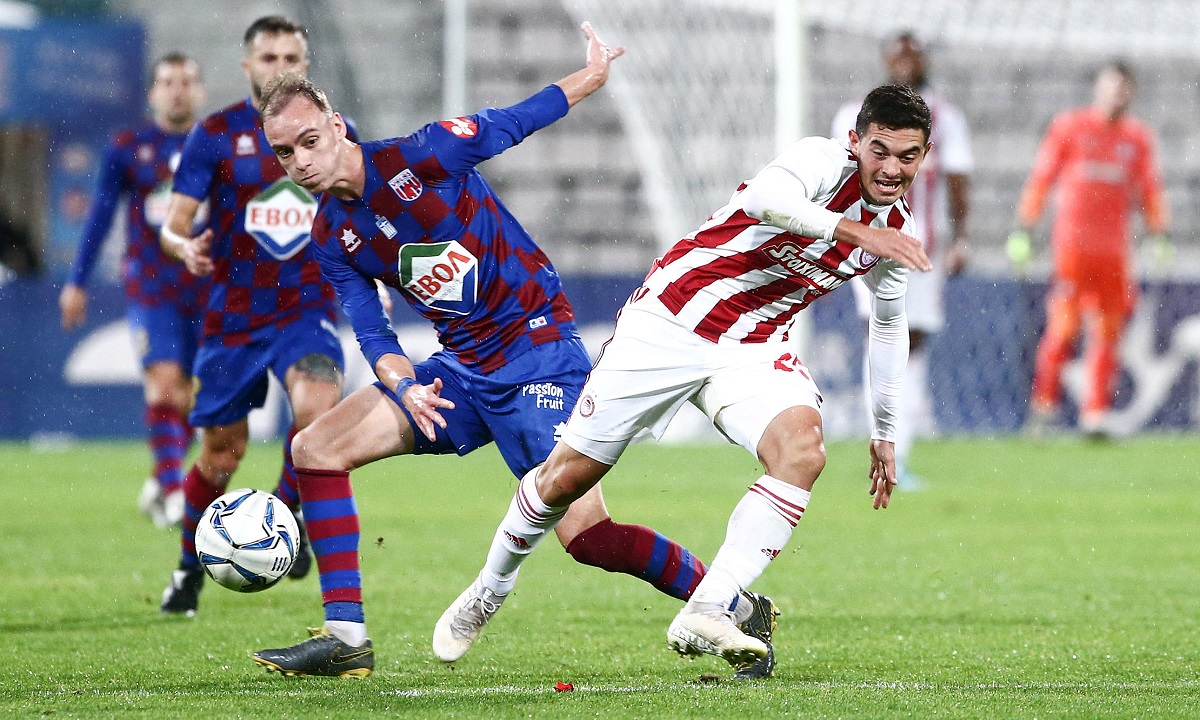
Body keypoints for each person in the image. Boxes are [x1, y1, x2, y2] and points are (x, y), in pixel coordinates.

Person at [248, 23, 777, 680]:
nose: (300, 161)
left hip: (539, 355)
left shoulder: (424, 155)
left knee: (590, 539)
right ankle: (345, 636)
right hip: (461, 372)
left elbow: (515, 120)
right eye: (284, 153)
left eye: (309, 141)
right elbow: (374, 333)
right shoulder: (332, 234)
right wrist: (406, 385)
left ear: (335, 126)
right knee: (314, 449)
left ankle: (736, 604)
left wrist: (593, 76)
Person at [435, 83, 934, 671]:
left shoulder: (896, 231)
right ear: (856, 141)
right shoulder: (822, 160)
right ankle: (489, 590)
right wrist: (854, 231)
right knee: (564, 480)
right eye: (880, 151)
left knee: (802, 451)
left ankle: (710, 607)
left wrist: (884, 430)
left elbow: (888, 325)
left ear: (924, 155)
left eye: (908, 156)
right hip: (670, 321)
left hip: (751, 347)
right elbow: (766, 199)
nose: (892, 169)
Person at [157, 15, 349, 615]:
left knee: (318, 407)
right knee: (222, 454)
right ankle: (188, 567)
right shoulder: (216, 134)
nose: (280, 68)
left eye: (292, 58)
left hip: (306, 307)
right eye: (269, 58)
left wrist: (377, 272)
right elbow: (173, 224)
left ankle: (282, 516)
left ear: (306, 66)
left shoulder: (333, 132)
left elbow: (362, 212)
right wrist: (183, 245)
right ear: (247, 66)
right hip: (234, 316)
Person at [59, 52, 207, 529]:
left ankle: (162, 477)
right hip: (151, 287)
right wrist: (77, 282)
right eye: (168, 82)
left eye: (186, 81)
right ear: (152, 92)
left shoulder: (217, 145)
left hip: (208, 289)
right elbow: (100, 215)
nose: (178, 90)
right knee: (164, 385)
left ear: (200, 91)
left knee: (195, 399)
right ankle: (174, 493)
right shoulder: (130, 147)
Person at [831, 31, 973, 484]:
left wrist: (961, 238)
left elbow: (957, 181)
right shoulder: (855, 115)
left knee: (912, 342)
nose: (906, 63)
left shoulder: (946, 117)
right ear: (886, 61)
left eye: (913, 56)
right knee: (884, 335)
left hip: (921, 248)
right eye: (898, 56)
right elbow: (838, 177)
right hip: (870, 243)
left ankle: (897, 449)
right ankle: (887, 446)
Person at [1007, 61, 1170, 437]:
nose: (1117, 95)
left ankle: (1094, 412)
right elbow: (1042, 178)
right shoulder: (1070, 127)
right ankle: (1043, 409)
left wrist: (1159, 233)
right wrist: (1025, 227)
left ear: (1131, 93)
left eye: (1123, 88)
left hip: (1114, 252)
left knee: (1108, 331)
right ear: (1098, 88)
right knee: (1064, 327)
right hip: (1072, 249)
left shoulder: (1137, 138)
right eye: (1111, 86)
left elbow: (1150, 190)